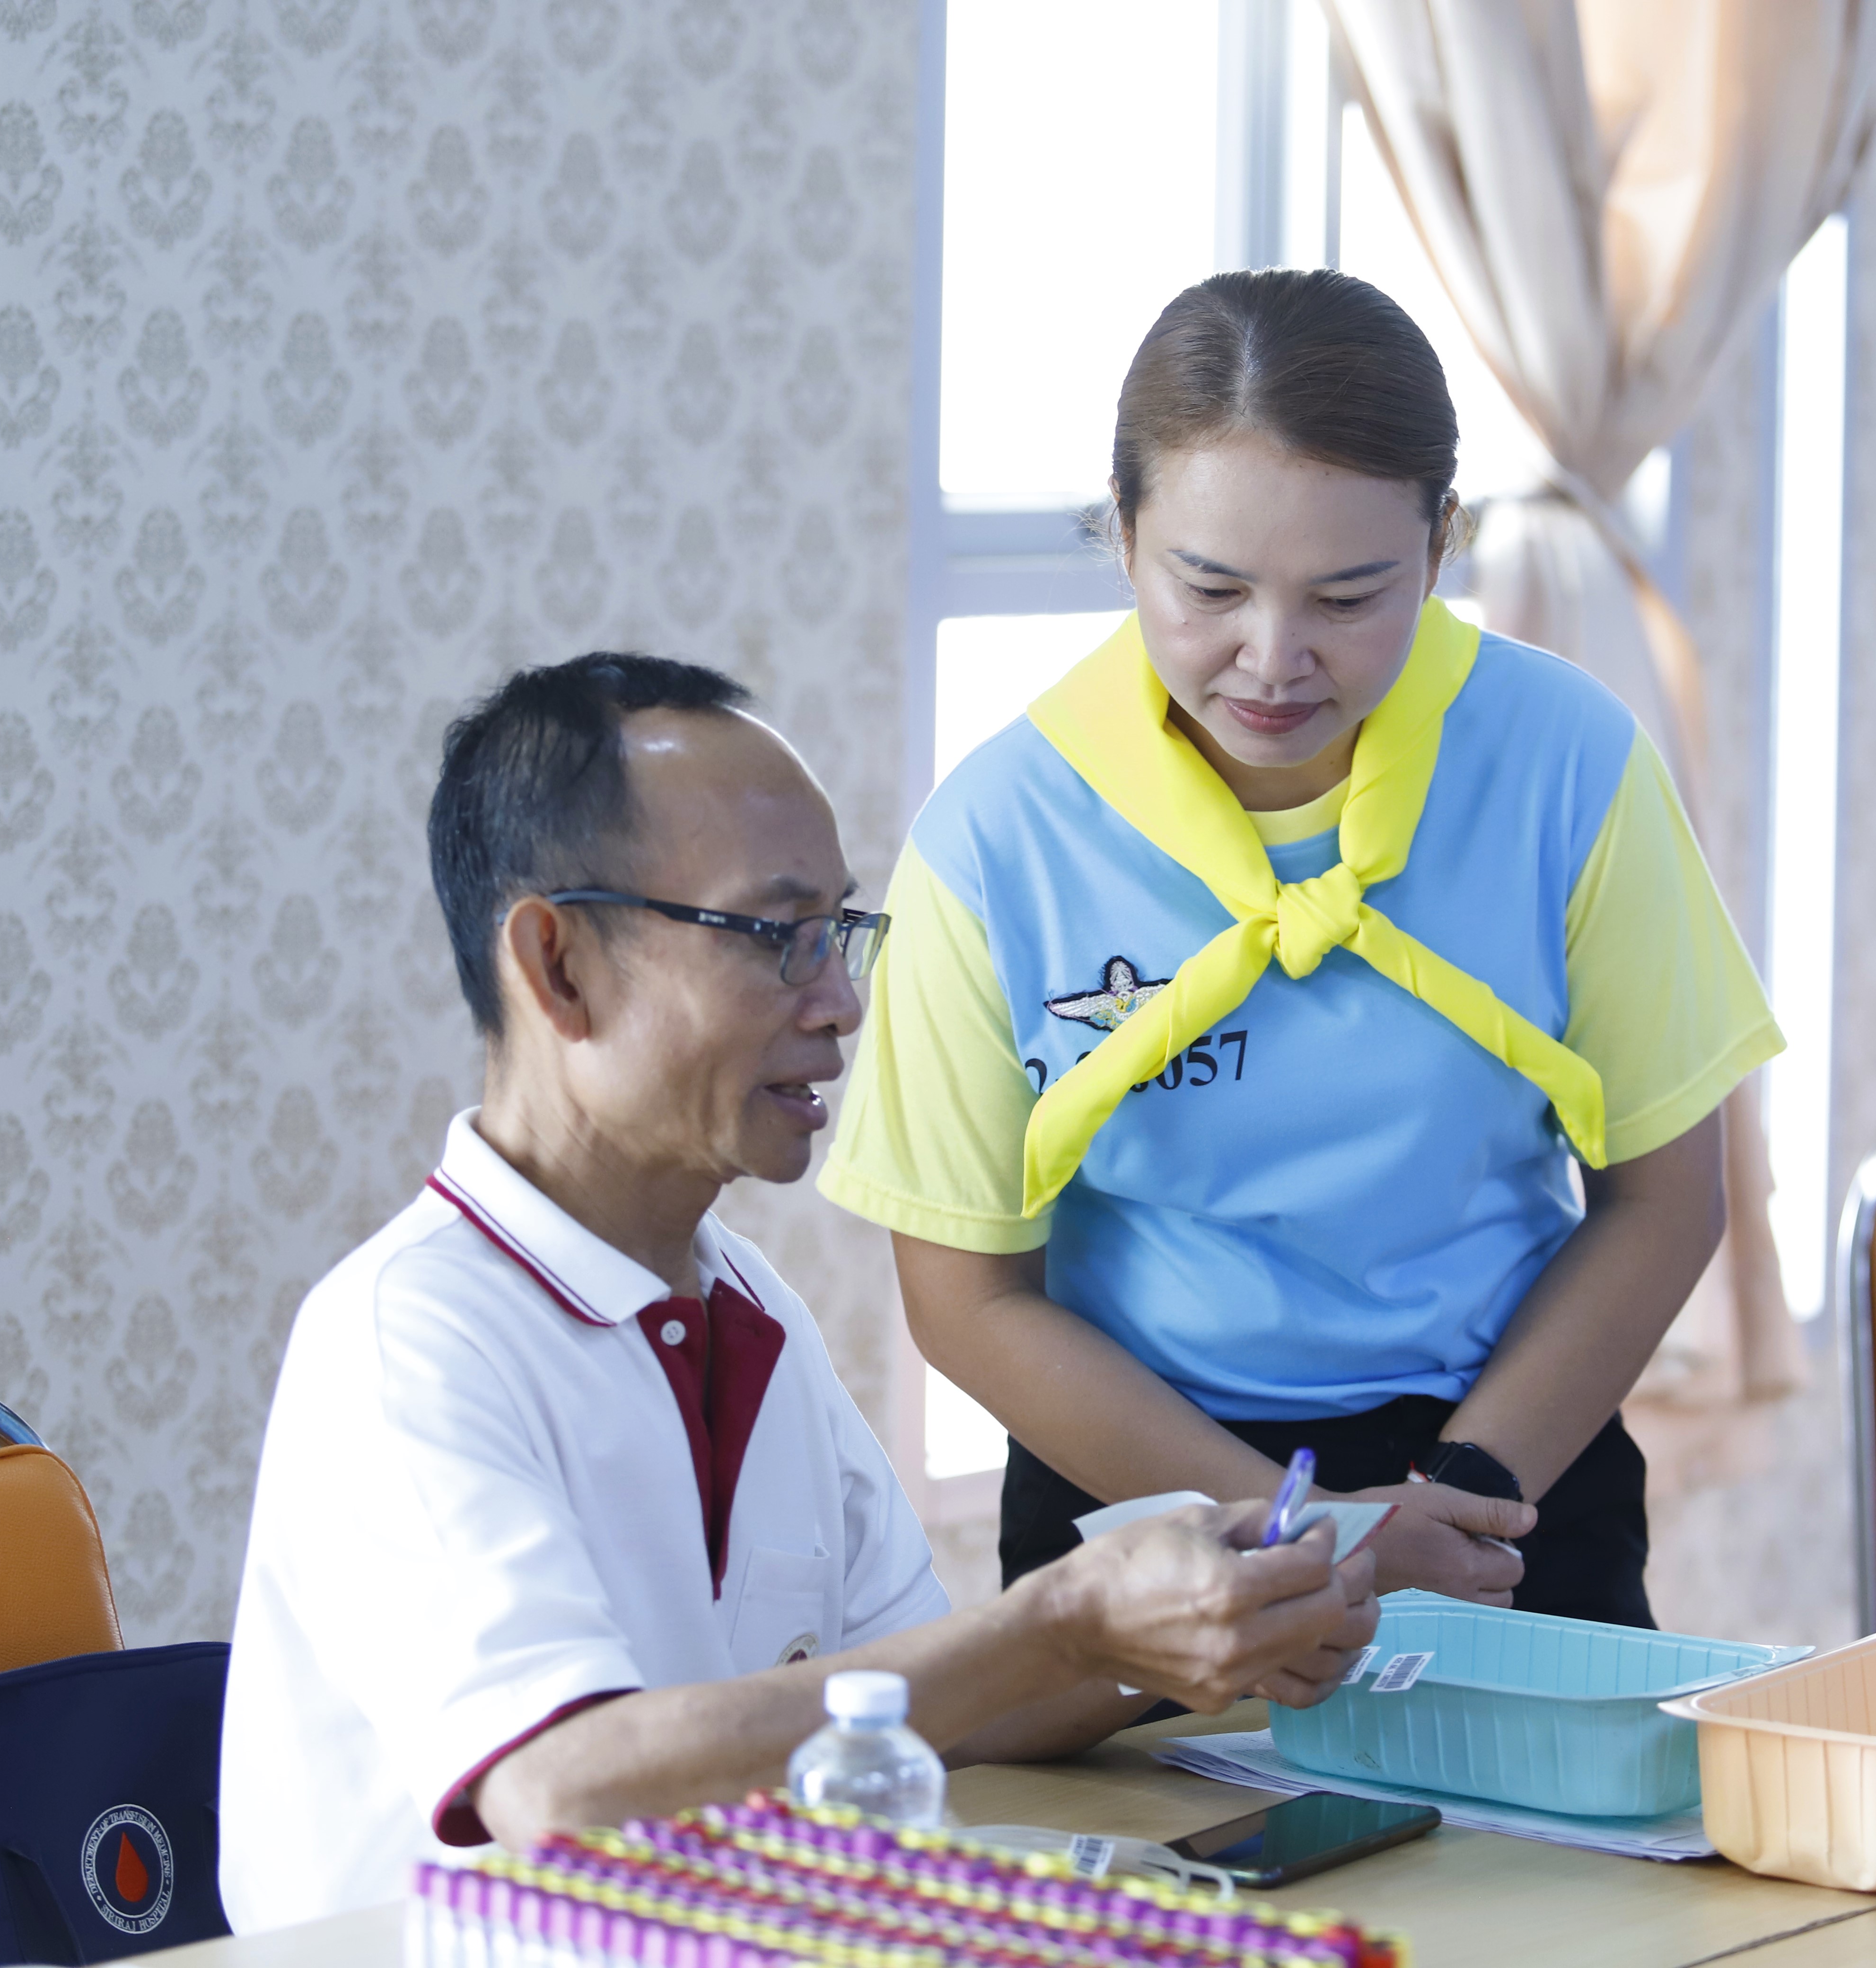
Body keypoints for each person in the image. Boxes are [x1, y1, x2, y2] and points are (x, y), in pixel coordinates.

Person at [217, 655, 1377, 1929]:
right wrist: (1061, 1617)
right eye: (778, 938)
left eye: (841, 933)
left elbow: (938, 1701)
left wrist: (1186, 1622)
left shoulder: (750, 1307)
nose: (840, 1006)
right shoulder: (409, 1340)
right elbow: (560, 1791)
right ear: (558, 966)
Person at [818, 269, 1780, 1625]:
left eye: (1348, 597)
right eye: (1210, 588)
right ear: (1123, 534)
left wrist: (1459, 1497)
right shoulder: (995, 839)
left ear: (1440, 547)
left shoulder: (1567, 763)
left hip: (1504, 1467)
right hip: (1146, 1484)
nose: (1273, 660)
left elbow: (1665, 1200)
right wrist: (1311, 1532)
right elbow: (968, 1298)